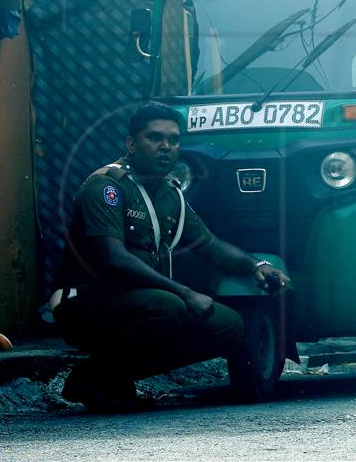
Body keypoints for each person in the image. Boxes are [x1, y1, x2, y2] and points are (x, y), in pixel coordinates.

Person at [52, 102, 290, 412]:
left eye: (173, 140)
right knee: (169, 307)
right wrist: (186, 292)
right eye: (154, 138)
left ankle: (110, 377)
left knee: (230, 326)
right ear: (131, 144)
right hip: (83, 303)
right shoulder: (107, 186)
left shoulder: (169, 193)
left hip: (139, 302)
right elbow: (115, 259)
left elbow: (209, 244)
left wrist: (256, 266)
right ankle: (92, 378)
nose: (166, 147)